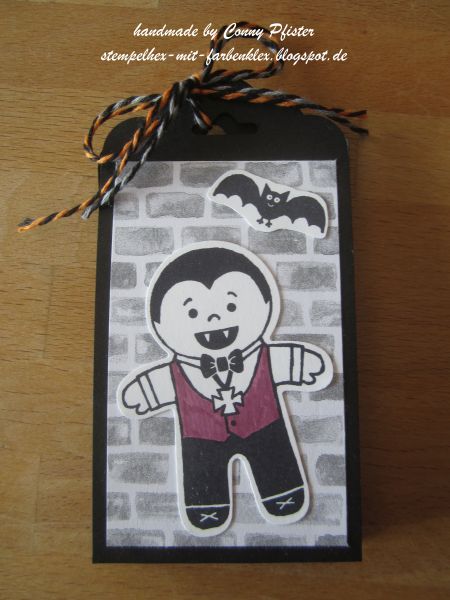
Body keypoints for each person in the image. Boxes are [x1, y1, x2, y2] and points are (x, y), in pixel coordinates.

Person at [118, 242, 332, 536]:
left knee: (275, 461)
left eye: (231, 306)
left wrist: (304, 364)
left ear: (266, 304)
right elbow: (154, 386)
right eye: (193, 313)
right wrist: (143, 392)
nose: (213, 319)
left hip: (265, 428)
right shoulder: (175, 373)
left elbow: (290, 361)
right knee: (203, 474)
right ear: (158, 323)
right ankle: (207, 506)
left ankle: (282, 493)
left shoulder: (266, 357)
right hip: (202, 440)